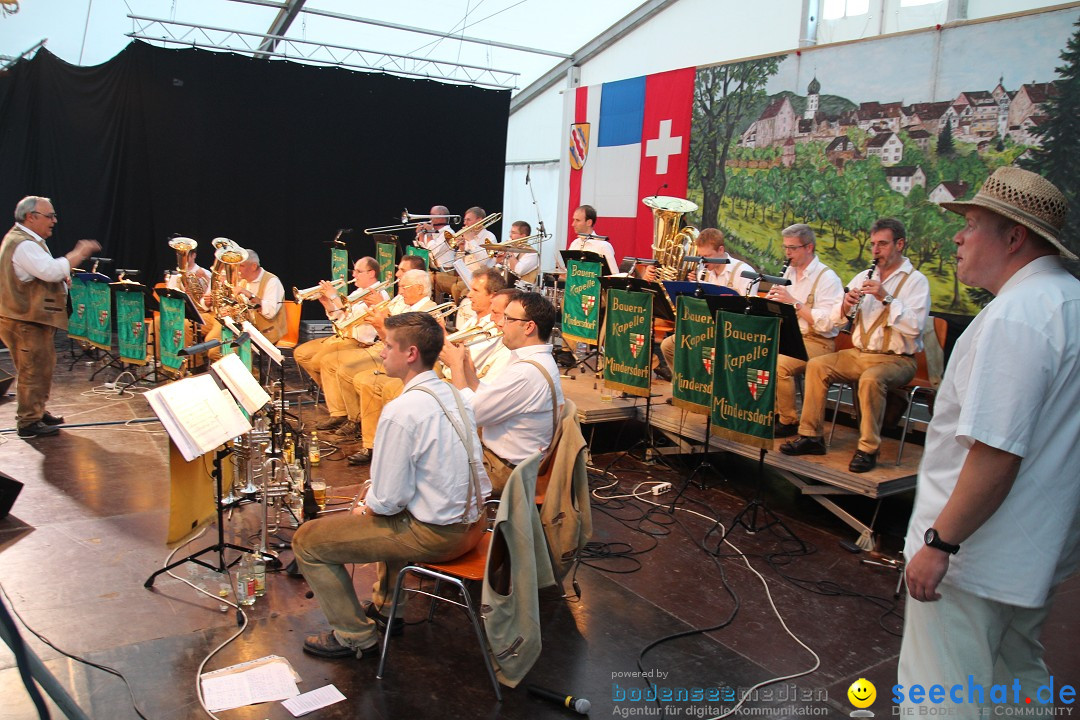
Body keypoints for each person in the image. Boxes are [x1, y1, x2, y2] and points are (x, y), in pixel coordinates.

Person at [897, 167, 1080, 716]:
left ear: (1014, 237)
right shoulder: (1067, 300)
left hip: (974, 558)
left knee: (943, 697)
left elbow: (996, 454)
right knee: (1015, 684)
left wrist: (939, 544)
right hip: (1032, 549)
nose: (958, 236)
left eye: (972, 223)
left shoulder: (1018, 317)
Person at [294, 311, 490, 660]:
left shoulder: (403, 411)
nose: (381, 352)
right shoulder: (454, 393)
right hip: (475, 523)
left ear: (410, 353)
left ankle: (355, 635)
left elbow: (388, 501)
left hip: (442, 536)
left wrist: (366, 507)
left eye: (387, 346)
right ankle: (387, 608)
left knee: (308, 541)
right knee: (390, 512)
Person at [780, 218, 930, 473]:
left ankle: (868, 448)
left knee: (871, 379)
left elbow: (915, 327)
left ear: (900, 244)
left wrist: (886, 297)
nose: (875, 250)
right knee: (817, 366)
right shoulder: (863, 276)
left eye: (882, 244)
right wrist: (846, 305)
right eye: (873, 244)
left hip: (896, 358)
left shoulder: (916, 281)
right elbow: (835, 321)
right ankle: (811, 436)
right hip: (859, 353)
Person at [442, 291, 563, 494]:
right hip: (503, 461)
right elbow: (488, 399)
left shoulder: (526, 372)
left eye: (508, 319)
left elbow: (471, 415)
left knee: (427, 465)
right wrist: (466, 368)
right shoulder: (530, 361)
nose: (498, 323)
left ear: (529, 327)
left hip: (504, 470)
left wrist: (455, 366)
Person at [0, 196, 100, 438]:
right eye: (50, 216)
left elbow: (41, 273)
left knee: (40, 367)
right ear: (30, 217)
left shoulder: (28, 240)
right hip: (24, 320)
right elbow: (50, 270)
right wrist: (79, 253)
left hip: (28, 319)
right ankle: (28, 423)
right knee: (33, 369)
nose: (54, 221)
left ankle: (36, 410)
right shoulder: (23, 244)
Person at [340, 268, 439, 463]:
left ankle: (392, 445)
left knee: (380, 385)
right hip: (401, 360)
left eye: (404, 287)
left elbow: (406, 348)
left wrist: (381, 325)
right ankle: (370, 444)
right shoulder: (403, 305)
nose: (400, 291)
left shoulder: (429, 309)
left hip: (418, 366)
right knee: (365, 380)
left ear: (419, 289)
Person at [765, 224, 844, 437]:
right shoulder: (789, 271)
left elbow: (828, 324)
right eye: (785, 248)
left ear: (809, 247)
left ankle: (788, 420)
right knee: (755, 352)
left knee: (780, 364)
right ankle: (765, 413)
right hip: (789, 336)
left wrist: (795, 304)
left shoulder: (827, 278)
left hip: (817, 342)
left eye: (793, 248)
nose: (788, 253)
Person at [293, 257, 388, 432]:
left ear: (371, 273)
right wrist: (327, 302)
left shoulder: (378, 295)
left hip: (359, 342)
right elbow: (339, 316)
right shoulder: (357, 292)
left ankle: (340, 412)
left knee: (323, 362)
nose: (354, 274)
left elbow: (352, 318)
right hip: (341, 336)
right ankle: (338, 401)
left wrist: (334, 296)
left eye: (358, 271)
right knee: (302, 353)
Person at [659, 227, 759, 372]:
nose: (703, 261)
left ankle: (707, 387)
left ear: (721, 250)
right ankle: (686, 386)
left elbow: (747, 313)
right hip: (705, 329)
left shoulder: (744, 272)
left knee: (707, 351)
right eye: (701, 257)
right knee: (668, 346)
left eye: (707, 256)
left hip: (731, 332)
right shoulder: (704, 270)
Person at [448, 206, 497, 303]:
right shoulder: (467, 237)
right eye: (465, 220)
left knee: (456, 288)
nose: (465, 223)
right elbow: (459, 262)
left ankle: (460, 312)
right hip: (465, 276)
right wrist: (461, 249)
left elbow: (484, 261)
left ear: (479, 220)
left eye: (468, 220)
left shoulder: (489, 237)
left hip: (482, 278)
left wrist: (471, 241)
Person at [413, 204, 456, 299]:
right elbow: (423, 251)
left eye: (432, 215)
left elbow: (433, 251)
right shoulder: (434, 232)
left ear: (441, 217)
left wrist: (429, 234)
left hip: (445, 271)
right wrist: (420, 235)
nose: (429, 218)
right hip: (432, 269)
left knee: (424, 281)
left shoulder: (448, 233)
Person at [567, 205, 619, 275]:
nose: (573, 224)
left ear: (589, 222)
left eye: (578, 220)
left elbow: (614, 276)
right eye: (574, 220)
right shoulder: (574, 244)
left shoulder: (603, 246)